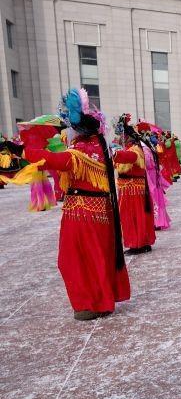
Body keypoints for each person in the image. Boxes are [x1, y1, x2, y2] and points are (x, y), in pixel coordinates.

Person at [21, 89, 130, 320]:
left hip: (82, 213)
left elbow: (54, 160)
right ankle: (101, 300)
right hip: (99, 211)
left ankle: (91, 303)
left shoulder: (81, 149)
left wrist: (25, 149)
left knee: (74, 259)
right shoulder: (100, 146)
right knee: (97, 257)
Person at [112, 114, 156, 255]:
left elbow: (130, 158)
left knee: (134, 216)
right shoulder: (130, 148)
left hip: (133, 189)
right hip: (130, 188)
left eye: (122, 136)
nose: (119, 139)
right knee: (134, 216)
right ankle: (141, 242)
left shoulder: (135, 149)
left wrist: (114, 154)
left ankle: (138, 243)